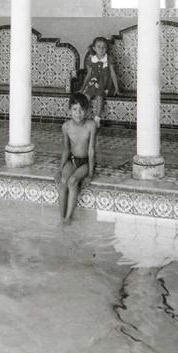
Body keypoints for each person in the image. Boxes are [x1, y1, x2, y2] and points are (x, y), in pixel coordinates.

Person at [56, 93, 97, 222]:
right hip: (72, 160)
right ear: (69, 110)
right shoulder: (66, 127)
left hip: (85, 162)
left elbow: (91, 150)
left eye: (81, 109)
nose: (78, 113)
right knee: (63, 181)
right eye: (74, 109)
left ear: (87, 110)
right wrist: (60, 169)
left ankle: (68, 219)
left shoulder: (91, 126)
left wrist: (90, 174)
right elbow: (66, 149)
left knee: (72, 182)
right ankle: (62, 217)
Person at [79, 36, 119, 127]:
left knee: (99, 97)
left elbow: (113, 74)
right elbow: (88, 75)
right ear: (94, 48)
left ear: (107, 48)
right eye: (99, 47)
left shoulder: (108, 59)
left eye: (104, 47)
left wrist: (116, 88)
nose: (101, 49)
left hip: (104, 84)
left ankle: (97, 118)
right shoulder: (91, 59)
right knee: (86, 97)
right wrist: (82, 88)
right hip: (93, 83)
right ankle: (82, 117)